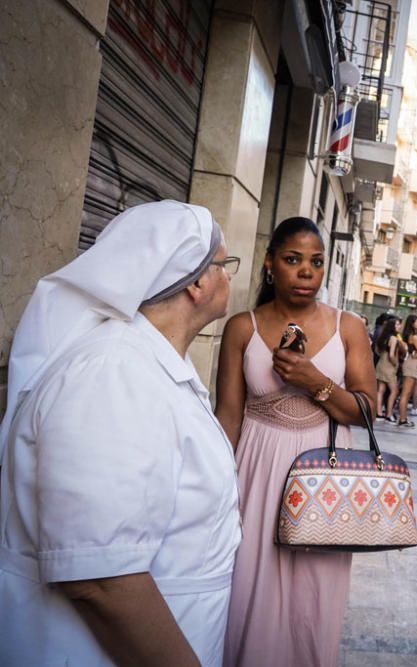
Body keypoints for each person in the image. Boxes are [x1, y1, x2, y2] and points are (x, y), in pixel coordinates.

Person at [0, 200, 241, 666]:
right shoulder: (111, 375)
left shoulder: (147, 364)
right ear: (196, 283)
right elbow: (100, 580)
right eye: (223, 264)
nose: (228, 276)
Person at [215, 216, 376, 667]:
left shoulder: (349, 327)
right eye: (292, 259)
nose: (306, 272)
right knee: (247, 593)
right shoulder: (241, 328)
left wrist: (316, 382)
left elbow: (367, 411)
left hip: (323, 479)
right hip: (255, 473)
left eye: (316, 262)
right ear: (270, 264)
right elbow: (227, 417)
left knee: (312, 601)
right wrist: (213, 489)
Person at [398, 314, 417, 428]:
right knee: (405, 394)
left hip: (412, 365)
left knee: (407, 393)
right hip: (411, 366)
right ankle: (402, 419)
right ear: (412, 324)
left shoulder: (412, 336)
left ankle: (404, 417)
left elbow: (416, 353)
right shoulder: (414, 336)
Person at [374, 316, 404, 421]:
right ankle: (389, 414)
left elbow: (377, 351)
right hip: (389, 368)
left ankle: (378, 413)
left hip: (381, 365)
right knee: (394, 391)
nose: (399, 326)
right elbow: (392, 355)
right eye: (397, 324)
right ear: (392, 326)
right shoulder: (394, 339)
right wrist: (396, 363)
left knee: (380, 390)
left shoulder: (383, 337)